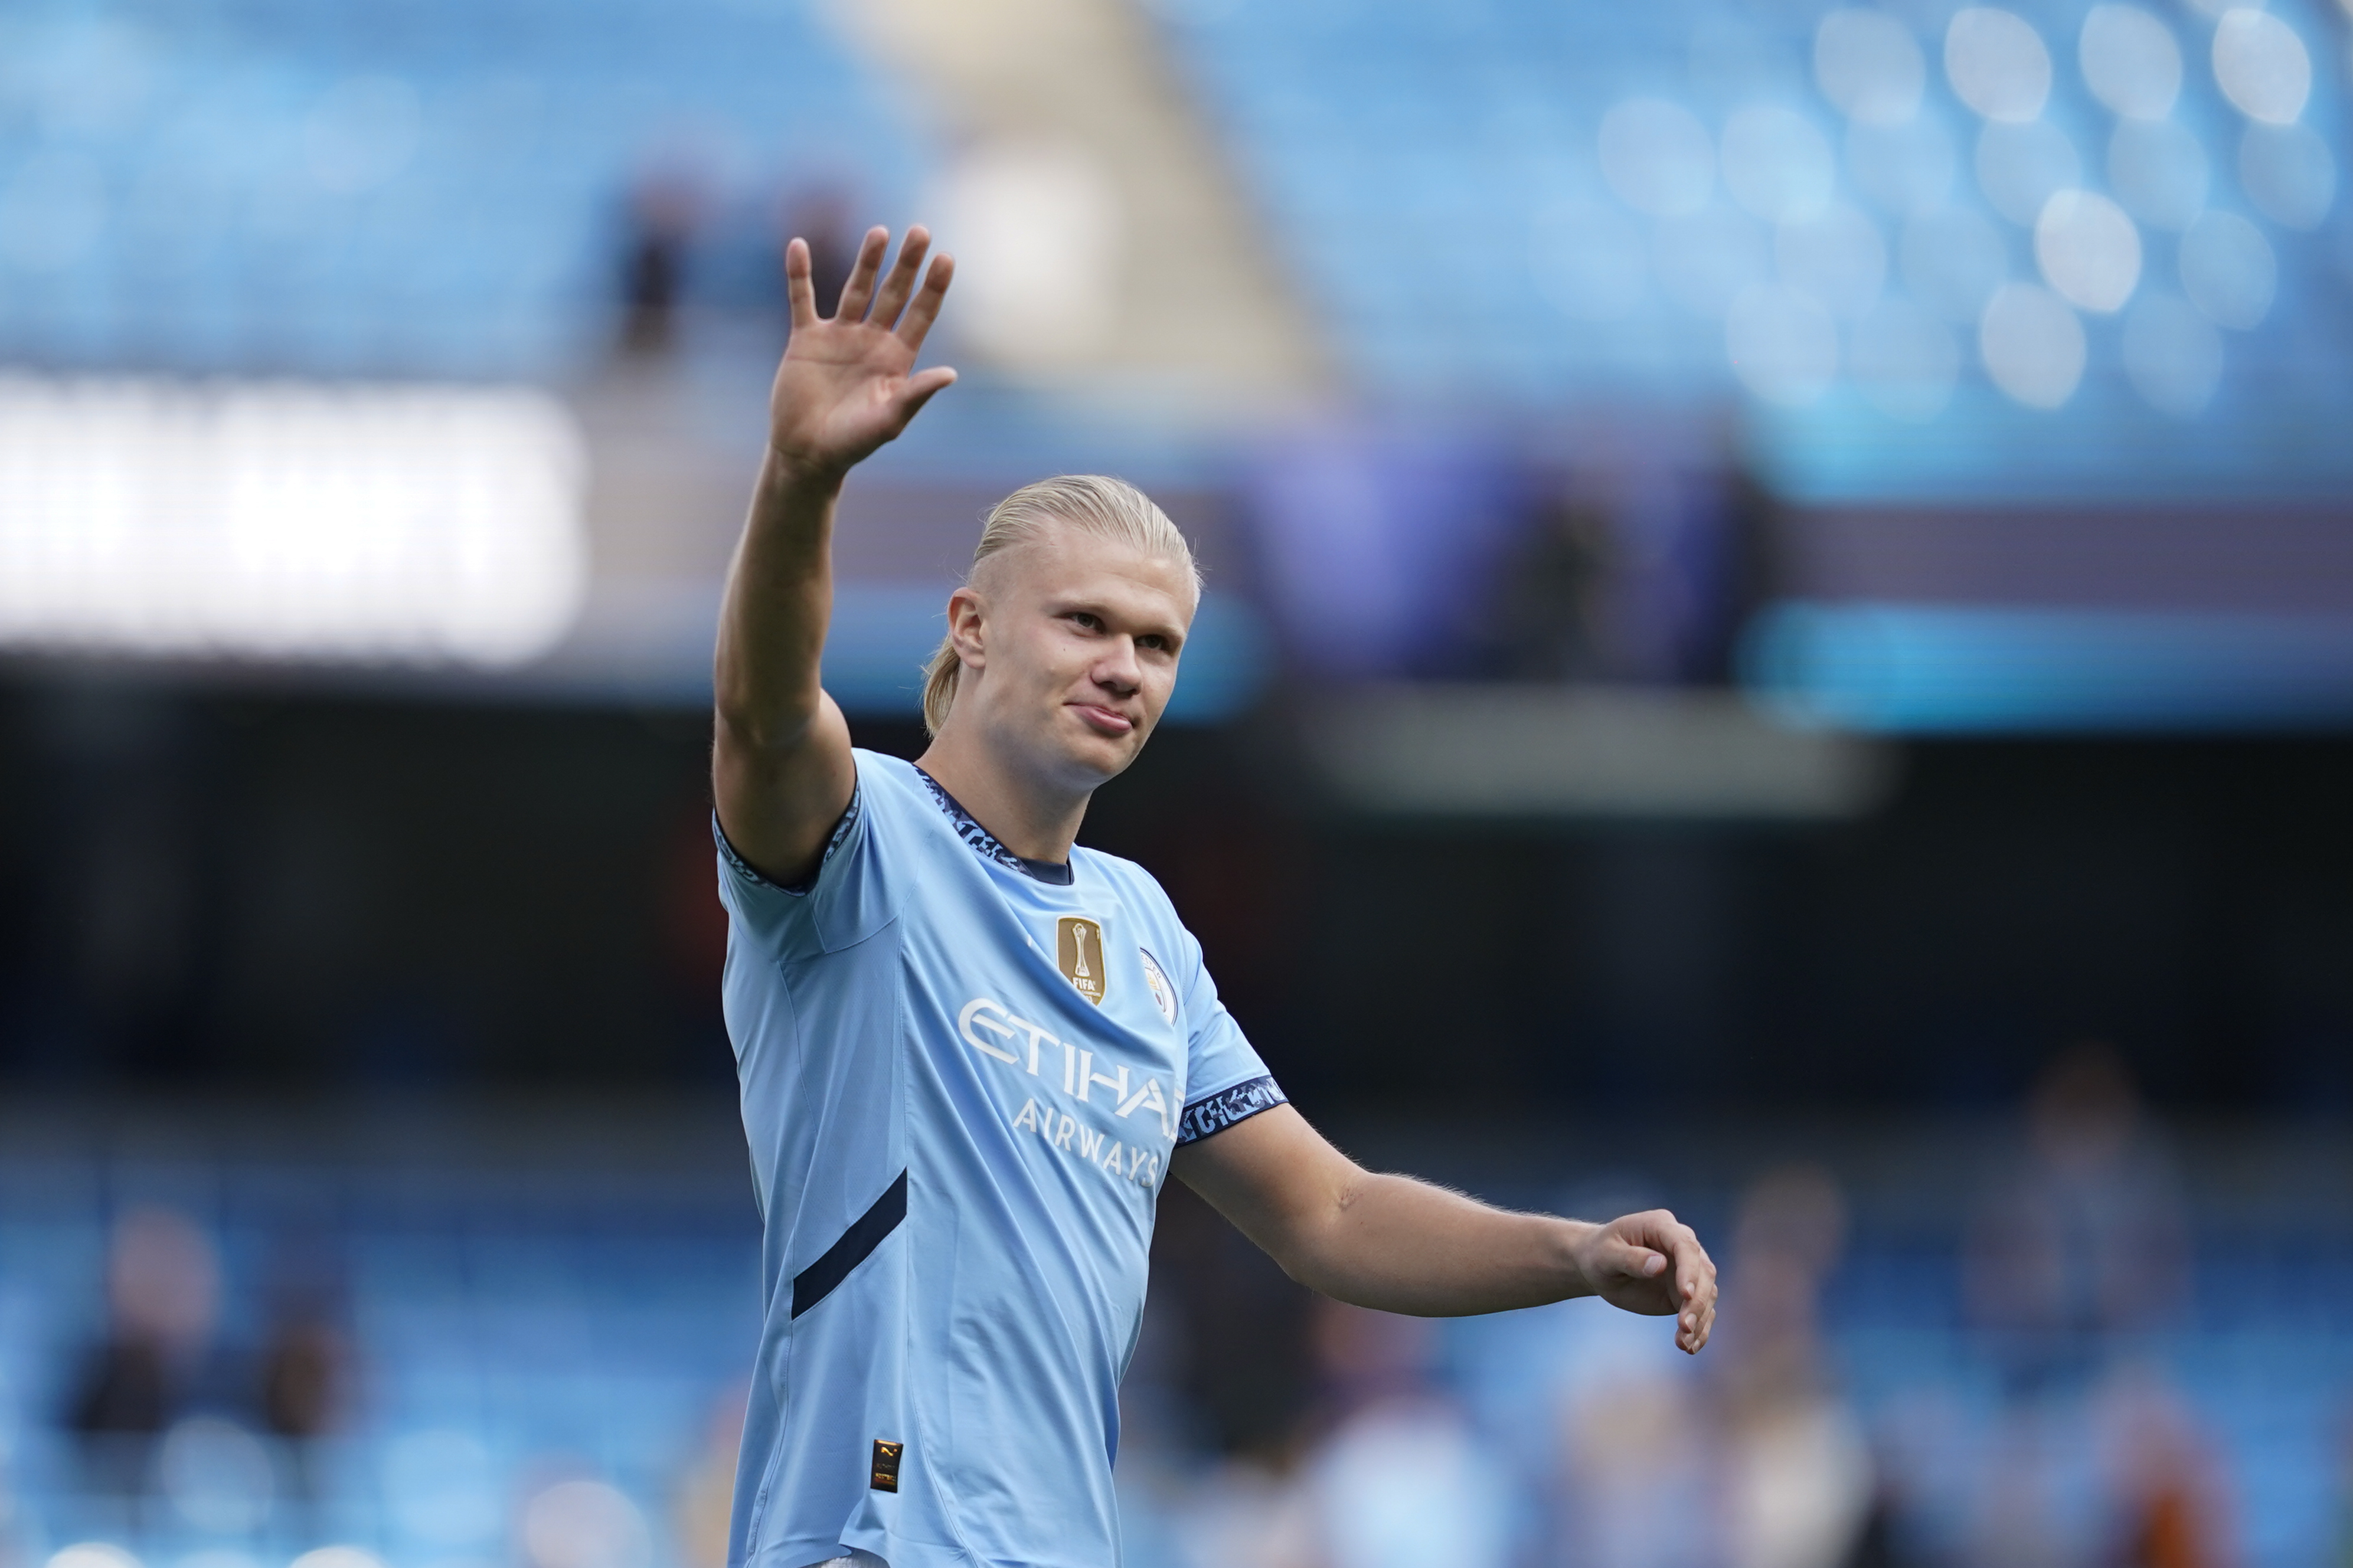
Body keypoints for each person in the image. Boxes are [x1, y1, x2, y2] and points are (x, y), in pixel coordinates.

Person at [709, 224, 1720, 1568]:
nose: (1124, 665)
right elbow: (767, 717)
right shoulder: (862, 839)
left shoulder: (1140, 933)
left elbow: (1329, 1214)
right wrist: (799, 480)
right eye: (1084, 623)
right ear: (971, 627)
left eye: (1158, 643)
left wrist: (1573, 1257)